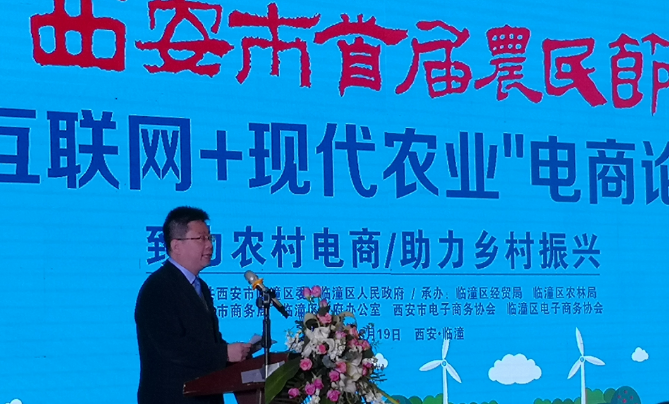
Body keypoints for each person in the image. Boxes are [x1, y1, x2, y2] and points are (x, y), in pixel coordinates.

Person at [135, 206, 251, 404]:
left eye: (209, 238)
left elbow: (207, 340)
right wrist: (224, 353)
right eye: (201, 239)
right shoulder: (157, 288)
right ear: (176, 245)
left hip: (205, 396)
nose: (209, 245)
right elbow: (172, 347)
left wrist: (237, 354)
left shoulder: (200, 286)